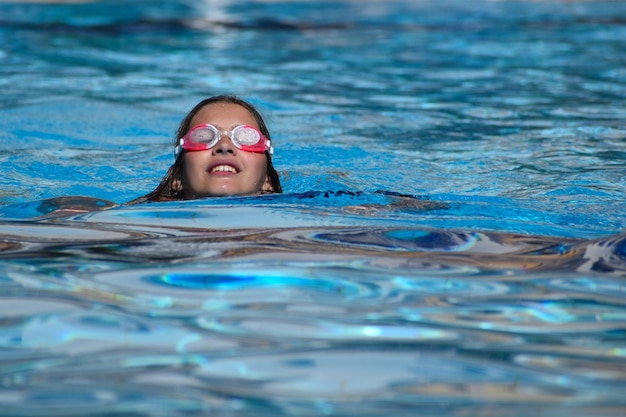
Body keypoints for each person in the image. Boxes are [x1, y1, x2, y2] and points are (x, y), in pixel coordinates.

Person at [133, 95, 282, 203]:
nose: (224, 146)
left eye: (246, 137)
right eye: (202, 137)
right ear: (177, 178)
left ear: (267, 179)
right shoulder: (129, 222)